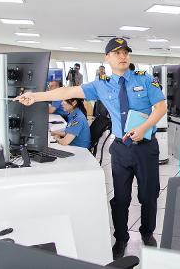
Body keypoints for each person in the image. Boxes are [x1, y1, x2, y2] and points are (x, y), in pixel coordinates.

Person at [15, 37, 167, 260]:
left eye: (126, 52)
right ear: (107, 58)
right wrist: (35, 96)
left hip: (146, 147)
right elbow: (67, 92)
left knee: (148, 194)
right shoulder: (100, 85)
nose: (123, 56)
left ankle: (147, 233)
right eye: (117, 53)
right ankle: (122, 238)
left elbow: (161, 107)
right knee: (121, 198)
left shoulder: (144, 80)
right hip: (121, 149)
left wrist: (145, 127)